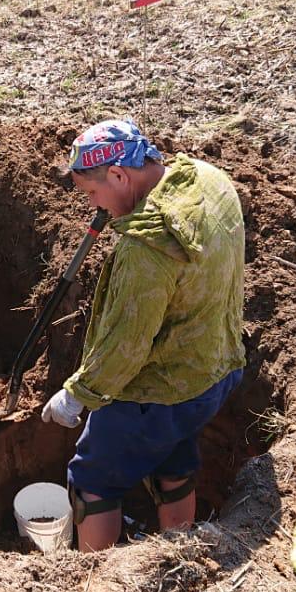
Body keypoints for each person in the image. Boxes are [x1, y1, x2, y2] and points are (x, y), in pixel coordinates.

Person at [41, 119, 246, 551]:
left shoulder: (146, 250)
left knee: (93, 479)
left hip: (158, 394)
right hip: (215, 371)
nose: (94, 205)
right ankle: (178, 550)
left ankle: (96, 576)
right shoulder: (208, 180)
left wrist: (77, 395)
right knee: (172, 456)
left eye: (92, 193)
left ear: (119, 176)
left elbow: (125, 347)